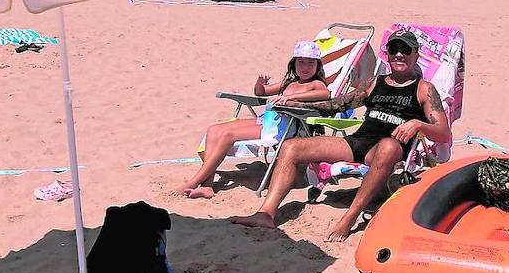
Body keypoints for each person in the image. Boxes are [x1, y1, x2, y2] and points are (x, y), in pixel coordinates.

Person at [229, 29, 452, 242]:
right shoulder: (375, 83)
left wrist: (417, 124)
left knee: (389, 146)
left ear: (416, 55)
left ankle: (350, 217)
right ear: (388, 53)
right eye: (394, 49)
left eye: (405, 49)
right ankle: (266, 213)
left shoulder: (424, 89)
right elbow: (337, 104)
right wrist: (297, 103)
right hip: (358, 142)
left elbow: (443, 133)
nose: (399, 54)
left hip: (385, 152)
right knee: (291, 147)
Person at [176, 41, 331, 198]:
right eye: (301, 62)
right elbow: (261, 92)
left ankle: (193, 182)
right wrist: (260, 84)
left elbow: (325, 94)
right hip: (269, 121)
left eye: (311, 63)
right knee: (214, 130)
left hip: (285, 127)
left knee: (227, 135)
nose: (305, 67)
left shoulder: (315, 84)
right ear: (294, 64)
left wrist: (291, 97)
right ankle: (207, 185)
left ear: (317, 66)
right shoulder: (289, 82)